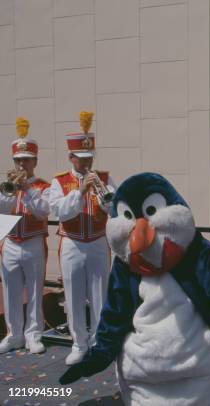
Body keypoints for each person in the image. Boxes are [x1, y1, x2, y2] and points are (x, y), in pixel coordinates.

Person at [48, 111, 116, 365]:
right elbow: (61, 211)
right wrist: (79, 191)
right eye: (81, 158)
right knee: (74, 294)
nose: (86, 164)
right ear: (71, 157)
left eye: (89, 158)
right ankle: (79, 343)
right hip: (72, 242)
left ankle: (99, 341)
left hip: (98, 241)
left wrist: (102, 193)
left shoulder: (105, 178)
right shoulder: (59, 182)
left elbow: (114, 207)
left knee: (100, 292)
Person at [0, 118, 50, 354]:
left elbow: (42, 210)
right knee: (10, 290)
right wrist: (11, 190)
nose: (21, 165)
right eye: (18, 160)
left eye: (25, 160)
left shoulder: (43, 185)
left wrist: (27, 189)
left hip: (33, 242)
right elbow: (2, 210)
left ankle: (34, 334)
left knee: (34, 290)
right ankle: (14, 334)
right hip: (10, 242)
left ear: (35, 161)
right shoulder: (7, 185)